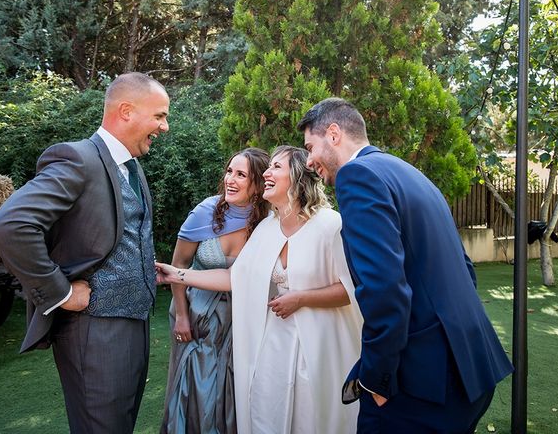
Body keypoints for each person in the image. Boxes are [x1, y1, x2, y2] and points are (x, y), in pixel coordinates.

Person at [297, 97, 514, 434]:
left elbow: (384, 289)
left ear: (335, 133)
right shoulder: (409, 173)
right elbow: (465, 268)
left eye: (310, 146)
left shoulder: (358, 176)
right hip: (471, 367)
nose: (309, 161)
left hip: (421, 384)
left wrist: (378, 380)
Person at [0, 72, 169, 433]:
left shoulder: (131, 168)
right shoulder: (78, 159)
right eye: (160, 115)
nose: (164, 127)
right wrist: (62, 292)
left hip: (134, 325)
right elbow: (9, 225)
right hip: (95, 333)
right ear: (126, 111)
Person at [156, 146, 362, 434]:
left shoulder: (330, 225)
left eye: (276, 167)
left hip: (318, 345)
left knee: (313, 418)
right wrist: (177, 274)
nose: (267, 172)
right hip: (274, 343)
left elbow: (351, 290)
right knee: (269, 415)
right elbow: (233, 278)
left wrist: (301, 299)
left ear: (298, 176)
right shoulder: (267, 228)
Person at [161, 147, 270, 434]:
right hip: (197, 316)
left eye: (241, 175)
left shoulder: (265, 223)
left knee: (232, 388)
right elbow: (178, 265)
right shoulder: (204, 213)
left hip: (241, 320)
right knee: (197, 384)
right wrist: (182, 316)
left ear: (258, 183)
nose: (230, 180)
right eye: (229, 171)